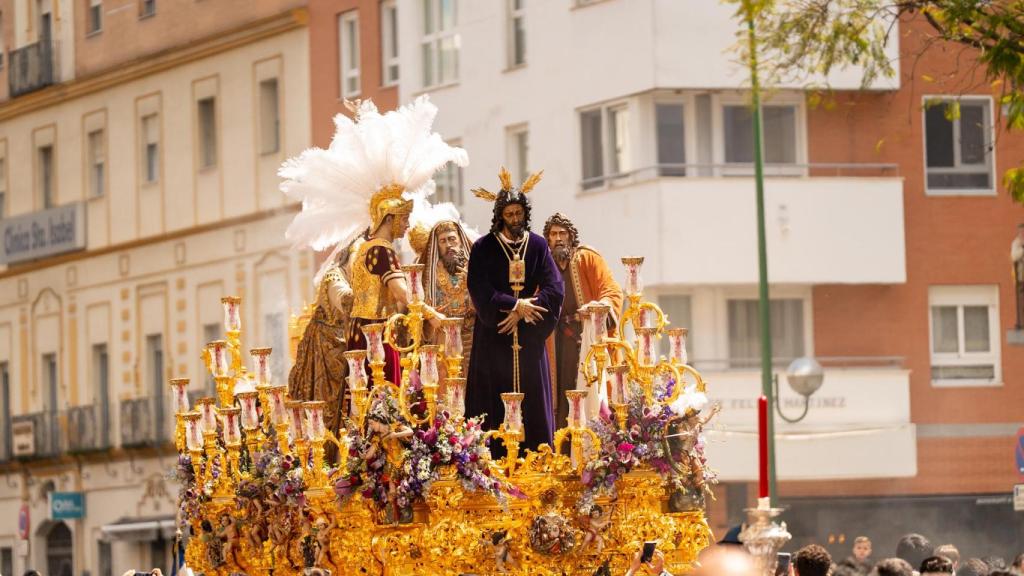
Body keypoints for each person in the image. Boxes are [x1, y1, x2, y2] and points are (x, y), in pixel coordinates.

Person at [279, 95, 467, 389]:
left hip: (367, 330)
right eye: (403, 218)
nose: (407, 224)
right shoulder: (381, 251)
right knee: (385, 394)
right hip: (376, 332)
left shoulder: (366, 248)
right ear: (389, 218)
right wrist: (434, 315)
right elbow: (403, 294)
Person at [466, 168, 564, 450]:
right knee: (492, 409)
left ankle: (538, 465)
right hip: (494, 338)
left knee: (533, 410)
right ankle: (491, 469)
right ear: (499, 216)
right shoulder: (483, 248)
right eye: (509, 215)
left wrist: (524, 310)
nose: (515, 220)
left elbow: (554, 288)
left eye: (518, 214)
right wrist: (512, 304)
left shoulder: (537, 246)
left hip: (529, 337)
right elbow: (479, 289)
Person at [542, 212, 623, 429]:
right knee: (559, 395)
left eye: (562, 233)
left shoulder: (586, 258)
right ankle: (562, 451)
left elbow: (611, 290)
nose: (558, 238)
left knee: (589, 391)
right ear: (547, 239)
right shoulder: (543, 266)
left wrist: (601, 306)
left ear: (570, 236)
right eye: (553, 234)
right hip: (555, 342)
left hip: (584, 338)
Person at [287, 237, 357, 462]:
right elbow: (346, 300)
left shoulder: (357, 279)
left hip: (347, 349)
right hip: (325, 352)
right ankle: (325, 459)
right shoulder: (335, 275)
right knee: (326, 410)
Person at [415, 218, 477, 368]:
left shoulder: (477, 265)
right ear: (437, 245)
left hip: (473, 336)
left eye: (452, 239)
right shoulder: (428, 273)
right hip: (443, 339)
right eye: (443, 241)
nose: (448, 245)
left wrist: (475, 282)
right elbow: (418, 305)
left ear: (460, 240)